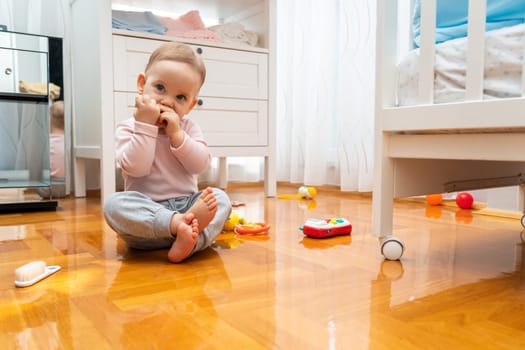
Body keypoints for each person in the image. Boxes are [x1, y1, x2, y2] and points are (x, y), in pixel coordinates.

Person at [104, 42, 231, 263]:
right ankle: (178, 225)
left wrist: (178, 136)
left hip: (188, 206)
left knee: (221, 199)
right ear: (142, 84)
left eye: (180, 97)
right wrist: (145, 126)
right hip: (148, 221)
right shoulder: (129, 127)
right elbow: (137, 168)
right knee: (113, 204)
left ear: (190, 105)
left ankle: (189, 242)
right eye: (160, 88)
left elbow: (200, 166)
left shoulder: (188, 128)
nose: (167, 101)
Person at [38, 100, 66, 199]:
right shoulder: (70, 142)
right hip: (69, 187)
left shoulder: (45, 141)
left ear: (50, 119)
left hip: (48, 190)